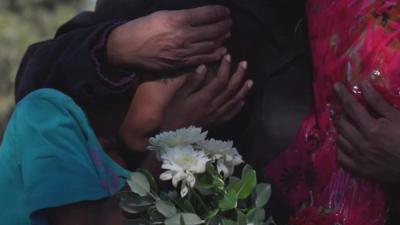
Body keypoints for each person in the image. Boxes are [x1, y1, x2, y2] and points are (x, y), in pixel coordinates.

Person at [14, 0, 313, 223]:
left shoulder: (201, 171)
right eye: (191, 83)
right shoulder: (49, 118)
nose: (199, 107)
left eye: (215, 104)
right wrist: (176, 138)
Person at [0, 56, 251, 225]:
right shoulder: (46, 114)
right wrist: (174, 137)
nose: (195, 115)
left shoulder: (165, 173)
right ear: (136, 74)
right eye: (192, 91)